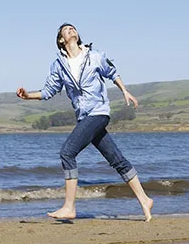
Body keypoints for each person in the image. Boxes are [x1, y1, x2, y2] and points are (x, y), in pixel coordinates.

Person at [16, 22, 154, 221]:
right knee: (117, 161)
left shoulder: (95, 56)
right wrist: (28, 95)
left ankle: (69, 206)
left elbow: (112, 73)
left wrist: (125, 91)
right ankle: (144, 199)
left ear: (77, 35)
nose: (71, 29)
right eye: (66, 29)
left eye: (73, 28)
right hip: (84, 117)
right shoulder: (59, 64)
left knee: (67, 152)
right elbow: (49, 91)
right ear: (61, 40)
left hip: (99, 112)